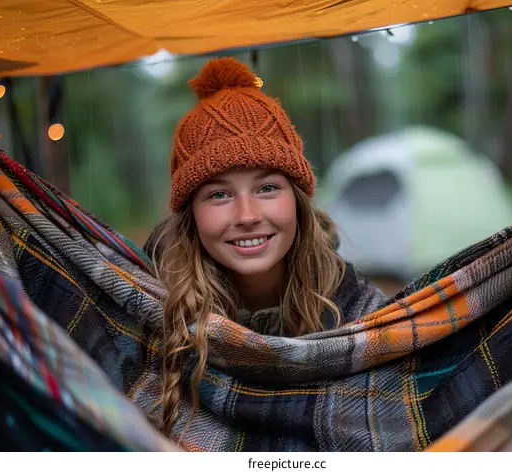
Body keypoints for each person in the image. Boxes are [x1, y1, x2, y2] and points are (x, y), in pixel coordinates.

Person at [144, 57, 388, 435]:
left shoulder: (357, 311)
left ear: (297, 200)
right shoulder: (154, 313)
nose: (247, 215)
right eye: (219, 194)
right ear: (191, 214)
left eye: (267, 188)